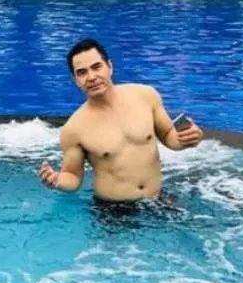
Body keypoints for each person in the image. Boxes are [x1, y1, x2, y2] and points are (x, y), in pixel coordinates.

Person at [38, 38, 204, 202]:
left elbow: (168, 135)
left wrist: (187, 138)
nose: (91, 77)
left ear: (110, 67)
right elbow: (73, 176)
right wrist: (57, 180)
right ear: (76, 80)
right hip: (113, 212)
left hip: (157, 199)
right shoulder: (74, 129)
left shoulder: (145, 96)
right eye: (82, 72)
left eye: (97, 67)